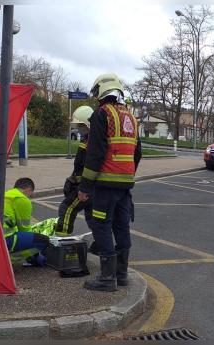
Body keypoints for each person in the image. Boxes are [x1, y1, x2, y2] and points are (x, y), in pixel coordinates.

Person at [78, 73, 142, 292]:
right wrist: (127, 176)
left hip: (104, 185)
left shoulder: (101, 114)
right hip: (125, 186)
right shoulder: (132, 119)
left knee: (101, 226)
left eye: (96, 93)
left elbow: (95, 153)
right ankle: (122, 274)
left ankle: (107, 279)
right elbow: (137, 153)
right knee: (121, 226)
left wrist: (85, 187)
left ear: (102, 91)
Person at [55, 106, 94, 235]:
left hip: (88, 187)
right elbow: (80, 166)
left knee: (67, 209)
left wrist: (83, 187)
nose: (78, 128)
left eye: (80, 125)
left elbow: (90, 167)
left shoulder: (93, 142)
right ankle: (101, 244)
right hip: (88, 186)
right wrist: (72, 179)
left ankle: (62, 239)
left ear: (87, 125)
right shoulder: (87, 139)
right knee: (92, 216)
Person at [3, 178, 49, 264]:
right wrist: (35, 254)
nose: (29, 197)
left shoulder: (6, 195)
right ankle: (8, 260)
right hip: (5, 239)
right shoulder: (22, 199)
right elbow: (24, 229)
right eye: (30, 195)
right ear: (29, 190)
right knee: (43, 240)